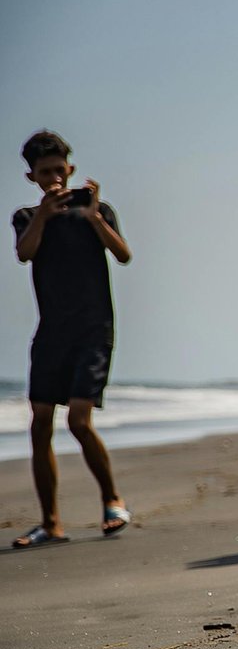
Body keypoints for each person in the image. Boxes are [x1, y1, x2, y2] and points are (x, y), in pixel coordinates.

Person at [11, 130, 132, 548]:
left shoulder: (97, 211)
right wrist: (45, 214)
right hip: (51, 334)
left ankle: (112, 500)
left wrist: (95, 216)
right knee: (40, 422)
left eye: (59, 171)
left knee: (79, 420)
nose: (54, 179)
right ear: (33, 177)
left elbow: (123, 254)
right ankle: (51, 523)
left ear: (71, 169)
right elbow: (25, 253)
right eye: (45, 173)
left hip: (93, 331)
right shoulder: (28, 217)